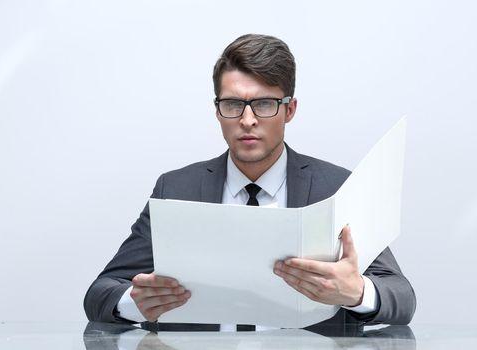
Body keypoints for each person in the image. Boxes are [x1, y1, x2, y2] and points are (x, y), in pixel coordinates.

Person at [84, 34, 416, 331]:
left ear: (290, 110)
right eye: (232, 104)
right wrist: (135, 302)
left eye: (264, 104)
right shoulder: (176, 189)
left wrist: (357, 292)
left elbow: (401, 297)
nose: (247, 120)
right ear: (217, 111)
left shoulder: (337, 188)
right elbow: (101, 293)